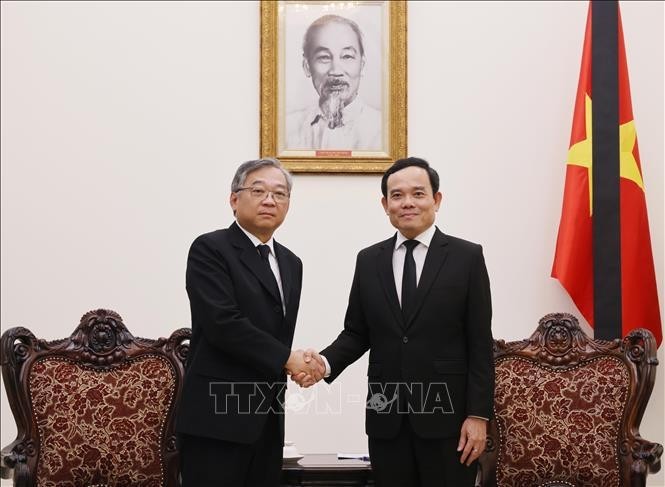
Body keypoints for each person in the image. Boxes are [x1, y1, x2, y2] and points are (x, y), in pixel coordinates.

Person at [302, 157, 494, 486]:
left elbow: (479, 342)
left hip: (447, 419)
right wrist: (324, 363)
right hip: (386, 416)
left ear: (436, 199)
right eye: (397, 195)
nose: (407, 202)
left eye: (418, 194)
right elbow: (356, 332)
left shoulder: (467, 257)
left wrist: (478, 416)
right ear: (385, 204)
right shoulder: (369, 260)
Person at [176, 158, 325, 486]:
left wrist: (297, 364)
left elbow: (277, 335)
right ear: (233, 199)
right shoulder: (210, 249)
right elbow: (223, 323)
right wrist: (289, 358)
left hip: (268, 419)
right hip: (216, 420)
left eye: (280, 194)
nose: (270, 200)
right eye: (258, 190)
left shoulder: (291, 263)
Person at [286, 14, 382, 151]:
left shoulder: (382, 129)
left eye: (347, 56)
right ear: (307, 66)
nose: (336, 71)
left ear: (362, 65)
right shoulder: (288, 129)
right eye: (324, 57)